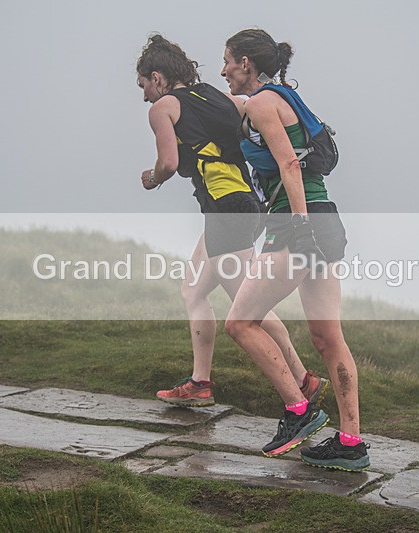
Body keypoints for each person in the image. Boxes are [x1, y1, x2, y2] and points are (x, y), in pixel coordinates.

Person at [135, 34, 329, 409]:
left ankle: (302, 381)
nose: (144, 95)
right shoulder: (215, 94)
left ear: (156, 77)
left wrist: (152, 177)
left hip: (227, 208)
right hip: (245, 205)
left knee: (247, 305)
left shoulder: (162, 108)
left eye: (143, 85)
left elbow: (170, 163)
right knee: (193, 290)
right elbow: (247, 107)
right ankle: (200, 382)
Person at [222, 29, 370, 471]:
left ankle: (298, 410)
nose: (223, 69)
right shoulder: (279, 97)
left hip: (297, 221)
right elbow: (219, 103)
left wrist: (298, 226)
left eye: (227, 60)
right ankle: (350, 442)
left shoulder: (264, 103)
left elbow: (288, 162)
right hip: (325, 217)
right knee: (328, 339)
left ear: (246, 63)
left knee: (239, 322)